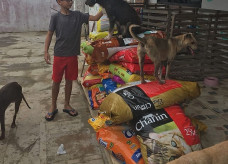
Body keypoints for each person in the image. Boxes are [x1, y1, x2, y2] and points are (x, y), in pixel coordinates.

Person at [44, 0, 103, 121]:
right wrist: (46, 51)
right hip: (59, 55)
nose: (70, 2)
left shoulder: (78, 15)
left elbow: (96, 18)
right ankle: (53, 105)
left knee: (69, 81)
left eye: (71, 0)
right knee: (56, 81)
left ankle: (66, 104)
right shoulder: (55, 17)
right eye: (67, 0)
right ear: (59, 2)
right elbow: (49, 34)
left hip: (72, 56)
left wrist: (107, 6)